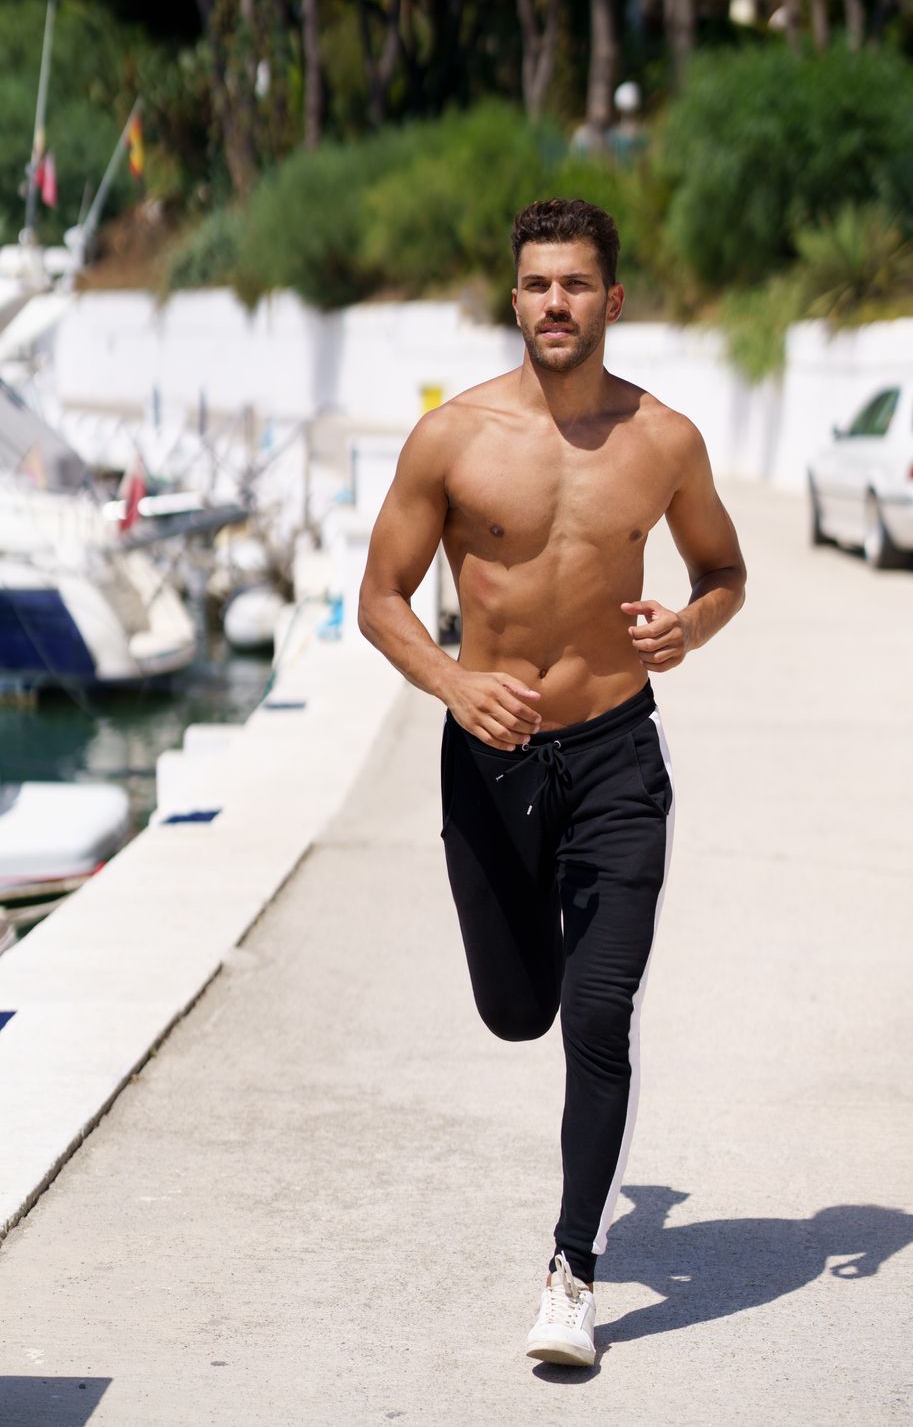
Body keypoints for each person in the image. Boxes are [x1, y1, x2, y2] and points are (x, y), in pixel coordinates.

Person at [359, 198, 746, 1367]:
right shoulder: (453, 438)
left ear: (612, 300)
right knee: (518, 1008)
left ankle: (572, 1270)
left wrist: (689, 627)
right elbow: (379, 598)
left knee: (598, 1014)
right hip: (490, 761)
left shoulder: (664, 441)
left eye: (576, 284)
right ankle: (604, 1194)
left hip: (618, 754)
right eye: (536, 285)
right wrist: (450, 683)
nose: (555, 304)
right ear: (513, 297)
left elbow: (724, 570)